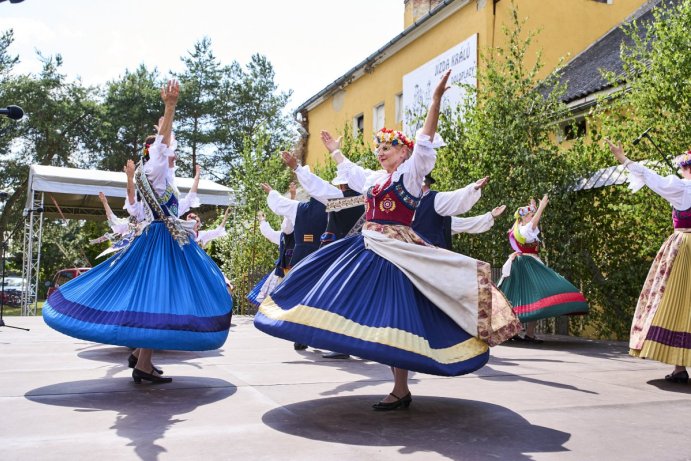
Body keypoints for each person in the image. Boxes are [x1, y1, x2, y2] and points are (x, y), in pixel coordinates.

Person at [255, 70, 521, 410]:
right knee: (328, 282)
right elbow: (341, 181)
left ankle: (400, 388)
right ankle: (330, 338)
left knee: (397, 319)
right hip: (366, 249)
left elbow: (425, 139)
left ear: (404, 153)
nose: (381, 151)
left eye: (388, 147)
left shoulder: (411, 178)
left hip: (395, 256)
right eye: (379, 147)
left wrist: (436, 100)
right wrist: (331, 154)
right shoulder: (375, 180)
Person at [42, 80, 233, 384]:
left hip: (159, 240)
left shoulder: (162, 176)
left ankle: (143, 361)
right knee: (163, 296)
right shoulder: (155, 169)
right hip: (161, 242)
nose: (173, 151)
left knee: (156, 301)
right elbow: (161, 146)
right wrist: (170, 108)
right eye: (170, 148)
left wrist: (181, 157)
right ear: (157, 151)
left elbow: (176, 187)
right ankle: (142, 360)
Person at [608, 140, 691, 383]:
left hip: (684, 246)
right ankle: (679, 367)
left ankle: (679, 367)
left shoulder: (682, 187)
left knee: (676, 302)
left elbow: (652, 178)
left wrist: (624, 160)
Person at [281, 150, 366, 359]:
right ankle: (361, 341)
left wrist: (297, 167)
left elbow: (316, 186)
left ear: (342, 185)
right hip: (364, 252)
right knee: (358, 296)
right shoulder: (367, 198)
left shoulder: (339, 199)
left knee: (334, 296)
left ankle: (339, 343)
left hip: (340, 255)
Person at [497, 195, 589, 343]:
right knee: (537, 296)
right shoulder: (525, 228)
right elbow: (533, 224)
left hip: (520, 264)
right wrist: (541, 207)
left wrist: (533, 207)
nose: (532, 217)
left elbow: (532, 223)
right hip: (528, 265)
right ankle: (525, 333)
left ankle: (518, 332)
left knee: (518, 297)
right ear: (523, 218)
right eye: (529, 215)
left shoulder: (518, 229)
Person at [260, 174, 328, 351]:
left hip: (302, 259)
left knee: (301, 297)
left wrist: (272, 192)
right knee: (321, 297)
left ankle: (300, 336)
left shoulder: (300, 208)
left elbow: (286, 227)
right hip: (325, 257)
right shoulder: (333, 207)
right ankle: (320, 335)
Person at [412, 173, 503, 250]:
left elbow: (456, 199)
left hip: (431, 260)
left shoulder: (436, 199)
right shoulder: (410, 203)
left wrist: (473, 188)